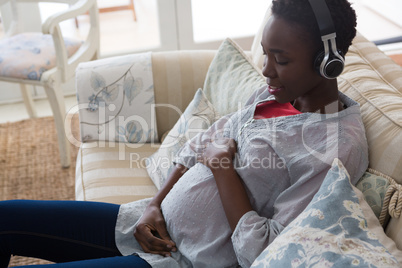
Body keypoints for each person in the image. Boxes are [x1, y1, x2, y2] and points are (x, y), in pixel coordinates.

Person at [0, 0, 368, 267]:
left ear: (327, 61)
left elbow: (266, 250)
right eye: (266, 55)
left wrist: (223, 170)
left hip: (184, 262)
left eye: (281, 59)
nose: (267, 71)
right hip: (142, 228)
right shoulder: (275, 94)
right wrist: (154, 204)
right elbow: (200, 145)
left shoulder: (335, 148)